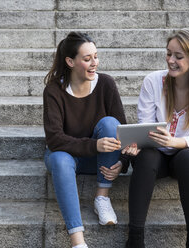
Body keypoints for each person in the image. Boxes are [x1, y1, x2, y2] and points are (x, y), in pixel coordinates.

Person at [121, 28, 189, 248]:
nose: (171, 61)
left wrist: (173, 142)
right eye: (168, 54)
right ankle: (135, 239)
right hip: (156, 154)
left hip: (186, 158)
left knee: (187, 158)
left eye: (178, 56)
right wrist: (136, 145)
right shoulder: (153, 81)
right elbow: (145, 125)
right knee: (147, 157)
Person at [43, 32, 130, 248]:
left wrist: (123, 163)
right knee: (60, 159)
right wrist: (94, 145)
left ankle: (102, 197)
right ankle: (78, 241)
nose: (94, 63)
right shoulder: (54, 90)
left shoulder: (106, 84)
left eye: (96, 56)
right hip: (66, 157)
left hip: (99, 160)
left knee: (110, 123)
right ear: (70, 62)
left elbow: (123, 131)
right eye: (87, 58)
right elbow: (54, 139)